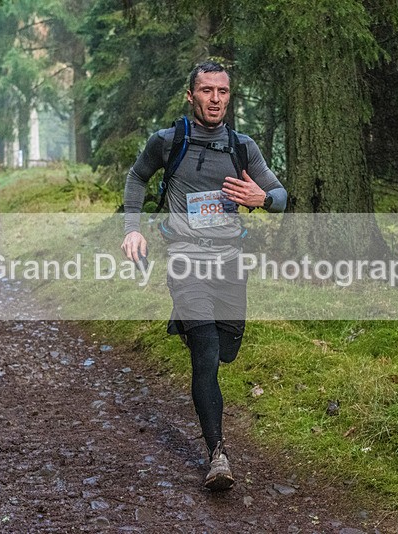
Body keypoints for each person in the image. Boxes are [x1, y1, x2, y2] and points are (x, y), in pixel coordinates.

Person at [121, 61, 287, 491]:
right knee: (207, 355)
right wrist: (132, 228)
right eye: (207, 90)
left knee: (227, 347)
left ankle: (191, 326)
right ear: (190, 95)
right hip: (185, 260)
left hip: (230, 263)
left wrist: (263, 198)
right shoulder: (169, 141)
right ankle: (217, 455)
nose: (215, 99)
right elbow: (137, 177)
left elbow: (282, 196)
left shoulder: (242, 146)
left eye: (223, 91)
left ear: (230, 96)